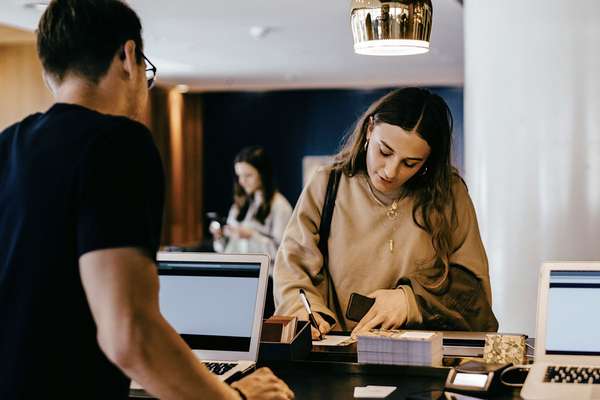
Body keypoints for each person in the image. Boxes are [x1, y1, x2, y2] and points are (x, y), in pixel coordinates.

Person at [0, 1, 293, 399]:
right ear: (128, 55)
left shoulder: (7, 145)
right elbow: (130, 331)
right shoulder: (119, 142)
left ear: (48, 69)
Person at [273, 88, 498, 340]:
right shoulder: (327, 184)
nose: (390, 172)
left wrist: (410, 302)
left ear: (428, 162)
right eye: (385, 151)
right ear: (370, 129)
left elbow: (474, 293)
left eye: (410, 163)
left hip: (425, 358)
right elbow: (292, 269)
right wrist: (305, 313)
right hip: (339, 353)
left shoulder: (449, 193)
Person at [211, 146, 293, 316]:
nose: (242, 181)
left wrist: (251, 236)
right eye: (239, 176)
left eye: (248, 175)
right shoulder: (240, 205)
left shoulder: (280, 206)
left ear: (262, 174)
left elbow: (283, 255)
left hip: (264, 283)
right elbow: (226, 251)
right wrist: (220, 238)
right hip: (236, 279)